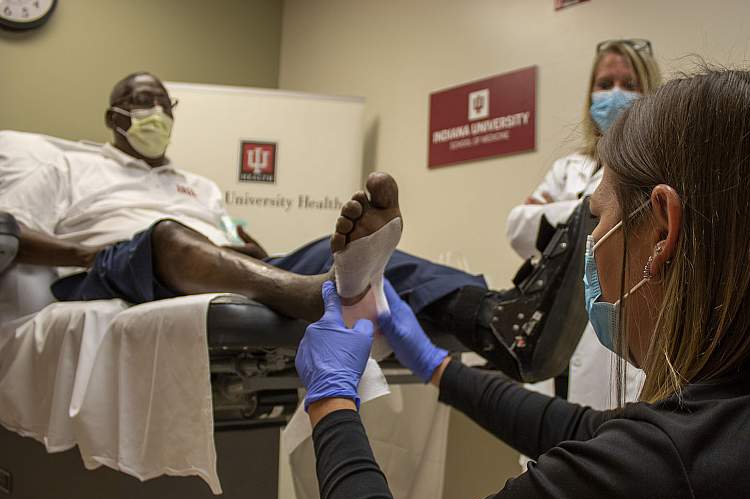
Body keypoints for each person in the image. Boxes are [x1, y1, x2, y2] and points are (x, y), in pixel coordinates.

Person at [294, 67, 750, 499]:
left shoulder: (654, 475)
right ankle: (475, 312)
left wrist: (331, 399)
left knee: (300, 264)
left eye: (596, 219)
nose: (590, 245)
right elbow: (574, 427)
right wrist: (434, 364)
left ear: (663, 230)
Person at [0, 71, 590, 383]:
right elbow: (13, 229)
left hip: (211, 261)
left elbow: (231, 233)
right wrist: (87, 253)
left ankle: (503, 322)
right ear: (115, 115)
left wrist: (242, 245)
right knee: (167, 235)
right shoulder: (73, 167)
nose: (155, 111)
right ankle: (327, 294)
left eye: (162, 103)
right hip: (121, 266)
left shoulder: (198, 185)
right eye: (141, 101)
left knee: (372, 259)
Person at [508, 39, 662, 408]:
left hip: (619, 349)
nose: (615, 94)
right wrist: (588, 211)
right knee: (546, 443)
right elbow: (518, 228)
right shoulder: (571, 167)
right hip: (553, 337)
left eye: (629, 84)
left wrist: (560, 211)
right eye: (605, 84)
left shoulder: (660, 167)